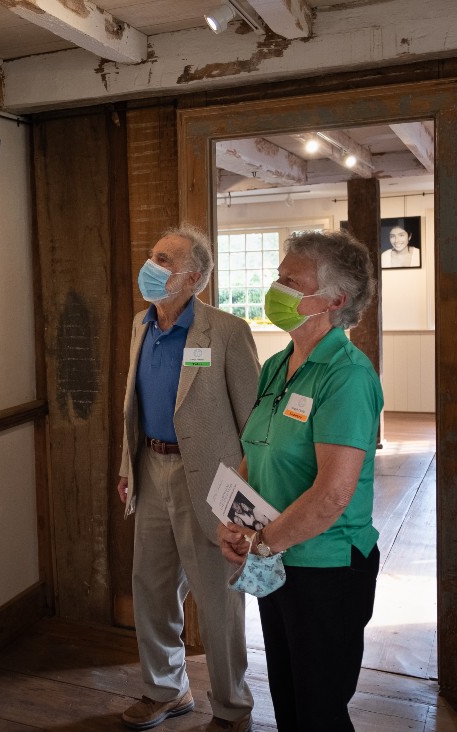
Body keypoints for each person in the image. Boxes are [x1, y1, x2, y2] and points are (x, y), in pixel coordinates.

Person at [219, 230, 384, 731]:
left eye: (291, 282)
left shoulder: (347, 375)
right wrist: (236, 522)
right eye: (279, 277)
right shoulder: (277, 365)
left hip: (327, 568)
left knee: (319, 712)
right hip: (277, 560)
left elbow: (333, 495)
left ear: (336, 300)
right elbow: (255, 452)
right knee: (289, 700)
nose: (276, 290)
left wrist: (263, 542)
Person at [117, 224, 260, 732]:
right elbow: (135, 405)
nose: (151, 266)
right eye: (152, 256)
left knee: (219, 599)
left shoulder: (226, 332)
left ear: (194, 278)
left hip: (214, 481)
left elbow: (254, 424)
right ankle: (166, 690)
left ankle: (232, 708)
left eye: (165, 260)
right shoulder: (141, 325)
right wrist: (127, 465)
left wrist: (248, 500)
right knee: (151, 588)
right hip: (151, 468)